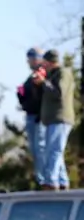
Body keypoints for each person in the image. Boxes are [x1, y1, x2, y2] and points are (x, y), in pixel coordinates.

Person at [37, 49, 75, 191]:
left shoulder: (63, 73)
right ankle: (62, 181)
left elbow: (59, 92)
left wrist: (44, 83)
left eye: (44, 62)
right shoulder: (52, 75)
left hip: (60, 118)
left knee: (54, 151)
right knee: (54, 150)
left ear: (49, 61)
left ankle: (51, 181)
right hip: (52, 119)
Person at [17, 48, 46, 186]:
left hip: (38, 117)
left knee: (40, 149)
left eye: (30, 59)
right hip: (31, 115)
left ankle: (44, 179)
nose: (28, 62)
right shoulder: (31, 77)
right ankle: (41, 179)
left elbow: (40, 96)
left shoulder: (41, 74)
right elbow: (26, 96)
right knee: (35, 150)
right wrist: (21, 93)